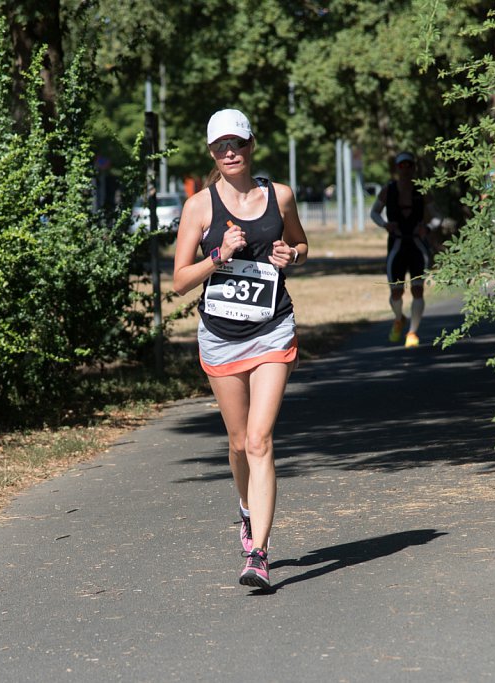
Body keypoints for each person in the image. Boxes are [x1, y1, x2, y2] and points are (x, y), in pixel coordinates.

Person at [173, 109, 308, 590]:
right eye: (220, 147)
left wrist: (291, 255)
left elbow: (300, 245)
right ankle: (247, 513)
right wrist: (219, 255)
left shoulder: (280, 196)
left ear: (252, 145)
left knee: (259, 441)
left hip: (272, 328)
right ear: (211, 152)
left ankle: (259, 553)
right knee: (236, 444)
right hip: (221, 336)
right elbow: (180, 282)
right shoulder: (199, 207)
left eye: (238, 143)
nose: (229, 152)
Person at [370, 151, 434, 348]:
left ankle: (413, 332)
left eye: (409, 165)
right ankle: (399, 318)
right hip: (397, 244)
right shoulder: (388, 190)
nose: (405, 170)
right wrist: (385, 225)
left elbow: (435, 216)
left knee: (417, 289)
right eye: (401, 166)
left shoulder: (422, 190)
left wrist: (427, 227)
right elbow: (374, 213)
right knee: (396, 292)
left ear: (414, 168)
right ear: (396, 169)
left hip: (416, 244)